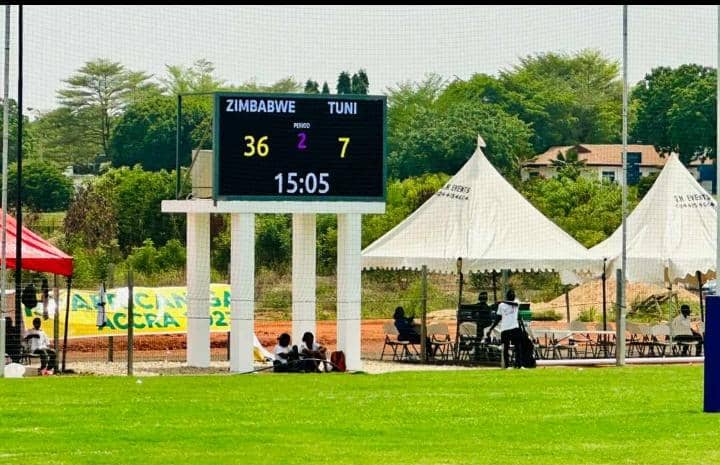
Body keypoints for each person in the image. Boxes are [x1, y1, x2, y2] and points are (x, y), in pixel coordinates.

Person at [486, 289, 523, 369]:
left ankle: (518, 364)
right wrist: (491, 328)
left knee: (518, 347)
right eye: (511, 294)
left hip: (514, 327)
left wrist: (502, 301)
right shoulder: (501, 305)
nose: (513, 295)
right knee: (505, 348)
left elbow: (516, 304)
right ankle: (506, 365)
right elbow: (498, 318)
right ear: (508, 296)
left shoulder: (516, 302)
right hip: (505, 329)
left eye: (513, 293)